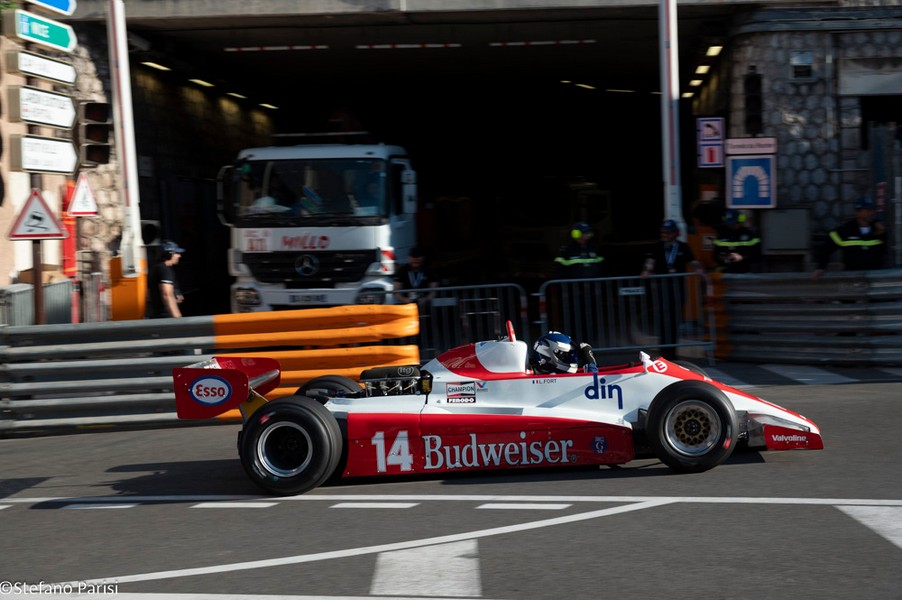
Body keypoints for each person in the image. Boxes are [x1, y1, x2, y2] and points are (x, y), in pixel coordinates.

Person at [640, 219, 711, 360]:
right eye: (663, 232)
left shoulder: (683, 247)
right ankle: (664, 353)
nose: (665, 235)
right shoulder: (657, 247)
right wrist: (646, 270)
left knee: (675, 320)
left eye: (667, 232)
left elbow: (693, 262)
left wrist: (700, 271)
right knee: (664, 320)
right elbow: (650, 262)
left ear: (675, 233)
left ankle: (672, 353)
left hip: (678, 289)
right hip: (662, 288)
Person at [813, 196, 886, 279]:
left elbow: (884, 251)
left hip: (874, 276)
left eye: (872, 210)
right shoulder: (846, 229)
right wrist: (821, 267)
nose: (871, 213)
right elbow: (827, 248)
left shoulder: (878, 229)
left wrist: (882, 234)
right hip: (852, 277)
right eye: (867, 210)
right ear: (857, 212)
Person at [713, 209, 762, 274]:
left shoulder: (749, 234)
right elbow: (715, 255)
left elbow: (757, 256)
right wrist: (722, 258)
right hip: (725, 272)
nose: (731, 225)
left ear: (740, 221)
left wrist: (742, 258)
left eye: (734, 223)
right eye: (729, 223)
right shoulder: (721, 235)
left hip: (745, 272)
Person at [147, 240, 185, 318]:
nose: (179, 256)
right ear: (169, 254)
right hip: (165, 316)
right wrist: (177, 317)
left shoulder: (158, 268)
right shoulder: (164, 269)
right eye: (176, 253)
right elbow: (167, 295)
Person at [529, 331, 597, 374]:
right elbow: (594, 385)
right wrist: (589, 361)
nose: (572, 358)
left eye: (572, 354)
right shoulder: (550, 379)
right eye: (566, 354)